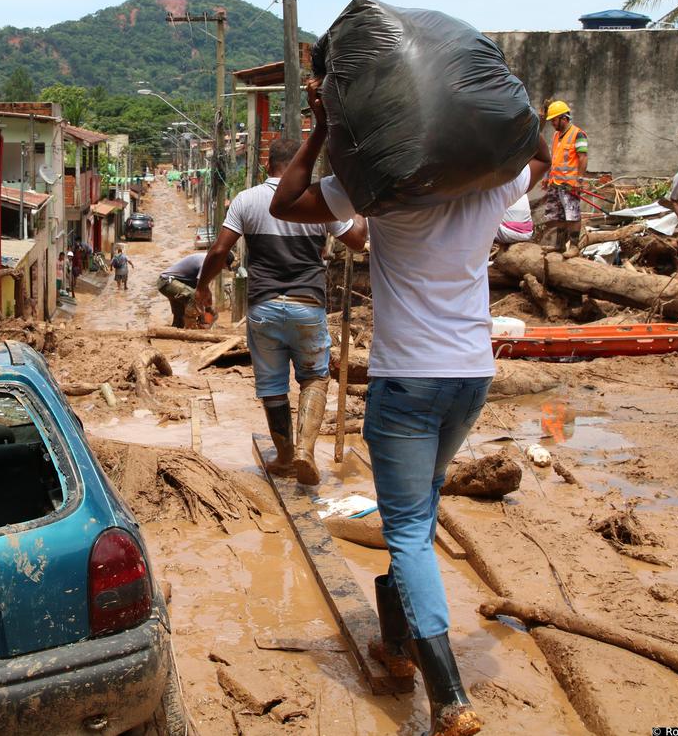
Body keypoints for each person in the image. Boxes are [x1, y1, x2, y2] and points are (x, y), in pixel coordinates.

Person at [268, 78, 552, 736]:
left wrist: (318, 127)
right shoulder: (486, 189)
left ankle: (448, 694)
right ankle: (395, 647)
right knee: (418, 509)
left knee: (407, 528)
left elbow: (286, 202)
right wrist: (516, 106)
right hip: (469, 380)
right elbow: (540, 158)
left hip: (407, 387)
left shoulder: (381, 192)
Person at [194, 138, 365, 486]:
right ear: (305, 166)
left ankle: (284, 457)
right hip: (307, 305)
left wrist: (202, 286)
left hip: (263, 308)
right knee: (314, 377)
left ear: (268, 165)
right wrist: (357, 201)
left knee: (272, 385)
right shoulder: (318, 201)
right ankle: (304, 449)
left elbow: (218, 249)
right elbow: (357, 240)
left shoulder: (246, 199)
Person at [541, 100, 588, 251]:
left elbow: (583, 157)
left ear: (564, 118)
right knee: (559, 216)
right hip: (556, 182)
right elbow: (555, 158)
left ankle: (574, 247)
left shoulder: (578, 134)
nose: (552, 123)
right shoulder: (556, 136)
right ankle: (559, 246)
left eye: (554, 120)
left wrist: (579, 180)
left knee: (572, 214)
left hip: (570, 184)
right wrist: (548, 177)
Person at [158, 250, 235, 327]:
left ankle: (178, 331)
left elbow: (204, 287)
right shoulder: (207, 263)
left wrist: (207, 307)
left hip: (174, 283)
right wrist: (204, 311)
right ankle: (192, 329)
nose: (223, 268)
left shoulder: (209, 261)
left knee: (180, 316)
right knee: (193, 297)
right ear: (221, 259)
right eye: (224, 265)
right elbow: (200, 290)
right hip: (166, 282)